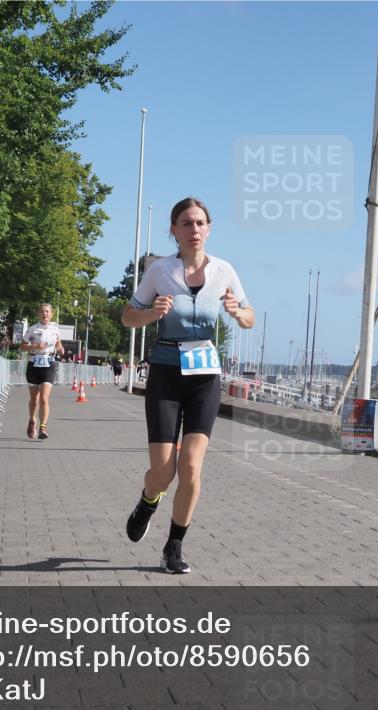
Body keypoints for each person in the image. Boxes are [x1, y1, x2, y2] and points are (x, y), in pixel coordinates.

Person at [120, 197, 254, 573]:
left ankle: (174, 546)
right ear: (174, 230)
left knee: (192, 467)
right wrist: (152, 313)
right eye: (186, 223)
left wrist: (237, 312)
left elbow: (250, 317)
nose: (194, 230)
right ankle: (148, 501)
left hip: (205, 377)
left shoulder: (225, 271)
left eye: (200, 223)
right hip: (165, 373)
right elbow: (128, 317)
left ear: (208, 229)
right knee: (164, 472)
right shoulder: (159, 271)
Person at [21, 303, 64, 439]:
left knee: (44, 398)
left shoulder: (55, 329)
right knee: (34, 399)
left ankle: (43, 428)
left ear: (51, 314)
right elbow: (22, 347)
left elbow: (58, 343)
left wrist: (60, 348)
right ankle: (32, 420)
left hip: (49, 364)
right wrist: (35, 346)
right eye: (42, 312)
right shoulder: (32, 329)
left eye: (47, 312)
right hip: (34, 364)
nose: (45, 314)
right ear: (38, 314)